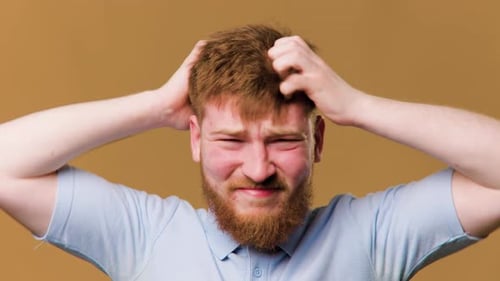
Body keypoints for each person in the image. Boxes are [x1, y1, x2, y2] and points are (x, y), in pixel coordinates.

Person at [0, 24, 499, 280]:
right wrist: (154, 107)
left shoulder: (372, 236)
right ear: (195, 138)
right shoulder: (145, 235)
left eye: (282, 141)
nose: (258, 169)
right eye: (231, 140)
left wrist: (359, 106)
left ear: (318, 140)